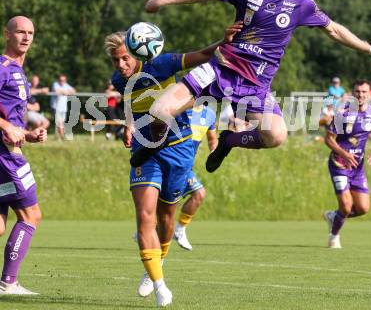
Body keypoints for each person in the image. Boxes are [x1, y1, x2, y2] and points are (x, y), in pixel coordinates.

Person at [135, 0, 371, 173]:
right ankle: (156, 142)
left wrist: (370, 49)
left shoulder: (302, 5)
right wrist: (163, 0)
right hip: (220, 69)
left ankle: (229, 141)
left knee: (276, 136)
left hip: (256, 84)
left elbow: (334, 30)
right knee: (159, 111)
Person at [104, 24, 237, 307]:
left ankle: (155, 265)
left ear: (138, 52)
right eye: (116, 60)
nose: (121, 64)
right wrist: (129, 125)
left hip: (179, 149)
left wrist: (222, 41)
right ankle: (159, 284)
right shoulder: (119, 79)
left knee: (166, 218)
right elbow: (131, 103)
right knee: (145, 217)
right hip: (145, 149)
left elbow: (201, 54)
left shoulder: (161, 64)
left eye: (125, 58)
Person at [0, 16, 47, 295]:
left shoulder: (19, 71)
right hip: (5, 156)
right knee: (31, 215)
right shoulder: (3, 67)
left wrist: (28, 134)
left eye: (30, 32)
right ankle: (8, 282)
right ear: (7, 35)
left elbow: (10, 118)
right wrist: (6, 126)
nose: (26, 37)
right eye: (20, 32)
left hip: (6, 151)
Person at [323, 80, 371, 249]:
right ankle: (334, 236)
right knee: (346, 206)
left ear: (370, 94)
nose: (361, 95)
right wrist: (344, 154)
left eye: (364, 92)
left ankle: (333, 216)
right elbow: (328, 139)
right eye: (358, 92)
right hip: (339, 165)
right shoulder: (342, 114)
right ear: (353, 93)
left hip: (357, 169)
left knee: (363, 208)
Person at [174, 103, 218, 251]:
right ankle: (148, 230)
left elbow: (212, 140)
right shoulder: (178, 109)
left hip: (185, 166)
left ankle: (179, 229)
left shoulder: (209, 114)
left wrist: (215, 155)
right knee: (166, 202)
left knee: (199, 194)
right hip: (170, 161)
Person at [50, 74, 75, 139]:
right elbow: (57, 91)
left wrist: (64, 92)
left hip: (63, 108)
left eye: (63, 80)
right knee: (59, 122)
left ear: (65, 80)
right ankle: (63, 137)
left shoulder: (66, 85)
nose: (62, 81)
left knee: (62, 123)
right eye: (60, 80)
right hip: (56, 107)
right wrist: (66, 92)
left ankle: (57, 136)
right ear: (58, 80)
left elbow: (73, 91)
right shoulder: (55, 84)